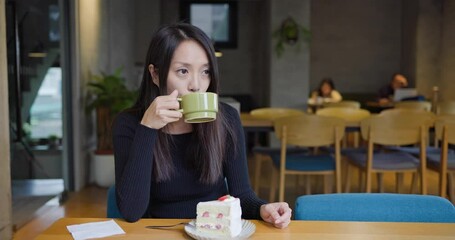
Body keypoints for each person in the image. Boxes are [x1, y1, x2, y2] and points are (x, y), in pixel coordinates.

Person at [112, 23, 292, 228]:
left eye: (205, 71)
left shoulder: (227, 119)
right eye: (183, 71)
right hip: (159, 232)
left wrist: (262, 208)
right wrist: (148, 128)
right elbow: (131, 211)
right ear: (155, 74)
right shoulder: (129, 125)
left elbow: (241, 194)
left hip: (214, 231)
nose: (196, 85)